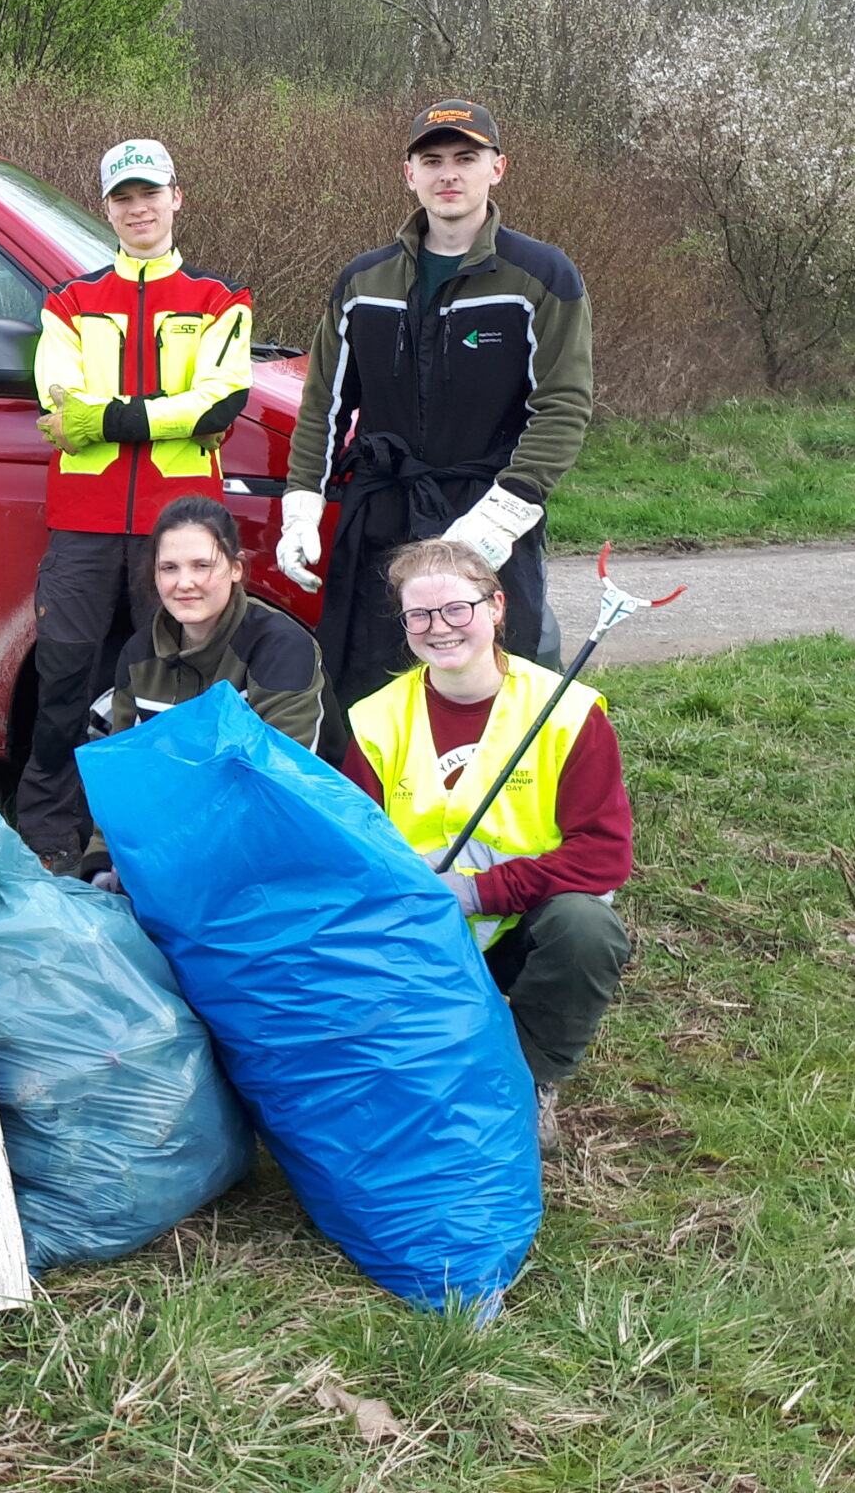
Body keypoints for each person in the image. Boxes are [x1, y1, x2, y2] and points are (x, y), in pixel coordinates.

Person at [279, 99, 593, 716]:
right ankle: (375, 807)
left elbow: (562, 404)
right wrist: (300, 509)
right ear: (410, 174)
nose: (449, 173)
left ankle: (494, 805)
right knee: (369, 683)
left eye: (466, 158)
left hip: (487, 505)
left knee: (491, 676)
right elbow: (325, 405)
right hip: (380, 510)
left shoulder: (541, 277)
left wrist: (503, 516)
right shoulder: (362, 283)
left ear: (496, 169)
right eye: (433, 160)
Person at [343, 538, 632, 1154]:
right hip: (417, 932)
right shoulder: (375, 718)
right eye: (418, 615)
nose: (439, 628)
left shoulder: (568, 712)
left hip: (520, 928)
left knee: (588, 929)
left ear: (497, 607)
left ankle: (529, 1079)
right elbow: (349, 851)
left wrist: (480, 892)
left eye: (457, 609)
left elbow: (604, 855)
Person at [11, 138, 253, 869]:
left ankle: (158, 840)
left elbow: (221, 404)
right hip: (83, 526)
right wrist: (163, 411)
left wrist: (110, 420)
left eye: (150, 193)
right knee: (64, 684)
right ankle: (49, 844)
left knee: (172, 684)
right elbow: (58, 401)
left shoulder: (220, 299)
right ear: (107, 208)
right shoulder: (69, 302)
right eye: (123, 197)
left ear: (177, 197)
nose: (138, 208)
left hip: (178, 530)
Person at [81, 495, 326, 890]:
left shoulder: (280, 646)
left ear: (235, 568)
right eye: (169, 568)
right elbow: (121, 779)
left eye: (202, 566)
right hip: (171, 856)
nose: (185, 583)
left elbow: (281, 786)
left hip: (275, 855)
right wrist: (101, 864)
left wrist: (174, 863)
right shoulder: (139, 655)